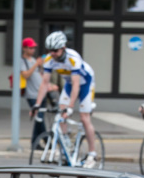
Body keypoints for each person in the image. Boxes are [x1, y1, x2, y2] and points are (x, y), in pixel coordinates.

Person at [35, 31, 99, 167]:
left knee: (84, 117)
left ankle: (92, 154)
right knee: (60, 113)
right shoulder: (49, 60)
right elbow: (44, 83)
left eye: (55, 50)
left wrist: (70, 107)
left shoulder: (73, 58)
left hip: (85, 84)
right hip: (70, 84)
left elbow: (77, 84)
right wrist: (37, 104)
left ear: (63, 48)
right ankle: (66, 146)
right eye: (49, 50)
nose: (52, 53)